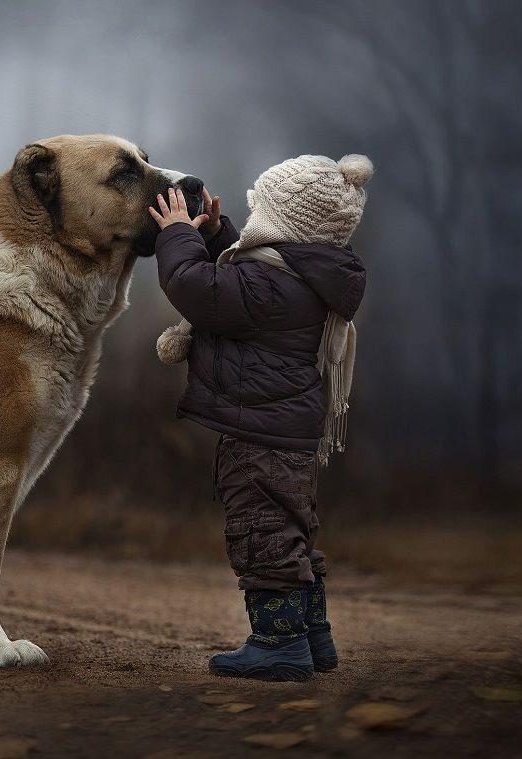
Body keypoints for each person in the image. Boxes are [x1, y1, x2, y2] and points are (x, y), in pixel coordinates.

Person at [147, 154, 372, 681]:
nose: (250, 224)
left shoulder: (269, 288)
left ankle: (278, 645)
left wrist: (177, 236)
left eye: (259, 212)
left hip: (259, 436)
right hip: (287, 432)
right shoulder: (299, 277)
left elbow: (194, 286)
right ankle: (314, 639)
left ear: (285, 222)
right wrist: (215, 233)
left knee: (262, 533)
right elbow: (241, 274)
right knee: (292, 532)